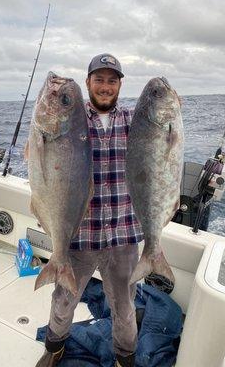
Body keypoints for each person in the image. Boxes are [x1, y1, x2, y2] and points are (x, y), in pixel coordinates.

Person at [36, 53, 143, 367]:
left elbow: (160, 129)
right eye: (99, 79)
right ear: (88, 83)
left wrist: (172, 107)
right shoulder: (72, 119)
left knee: (124, 307)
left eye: (112, 81)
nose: (105, 87)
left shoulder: (131, 120)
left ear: (120, 85)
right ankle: (54, 347)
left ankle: (125, 358)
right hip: (79, 236)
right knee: (63, 300)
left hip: (123, 235)